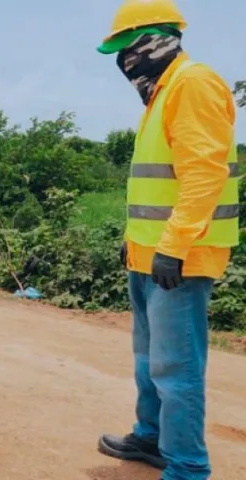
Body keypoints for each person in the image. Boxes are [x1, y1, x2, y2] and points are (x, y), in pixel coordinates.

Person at [95, 2, 240, 479]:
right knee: (147, 359)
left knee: (176, 369)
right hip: (150, 254)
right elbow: (156, 185)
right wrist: (134, 240)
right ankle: (151, 436)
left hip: (181, 257)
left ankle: (188, 465)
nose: (124, 62)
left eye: (129, 50)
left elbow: (203, 175)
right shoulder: (162, 91)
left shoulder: (192, 83)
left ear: (158, 41)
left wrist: (173, 246)